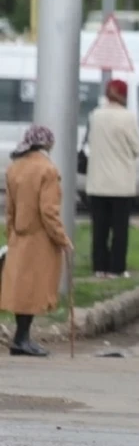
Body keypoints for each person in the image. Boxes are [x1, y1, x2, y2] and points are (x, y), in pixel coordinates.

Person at [0, 124, 73, 356]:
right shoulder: (47, 170)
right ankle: (22, 339)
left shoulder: (14, 168)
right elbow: (49, 212)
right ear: (47, 144)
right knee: (32, 291)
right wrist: (62, 239)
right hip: (40, 239)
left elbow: (9, 210)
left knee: (21, 290)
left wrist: (10, 234)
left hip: (18, 237)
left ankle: (21, 338)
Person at [85, 78, 139, 278]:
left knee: (99, 229)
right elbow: (138, 148)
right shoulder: (127, 118)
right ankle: (116, 268)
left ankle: (99, 267)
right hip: (121, 184)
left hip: (97, 182)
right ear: (124, 95)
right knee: (120, 230)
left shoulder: (95, 116)